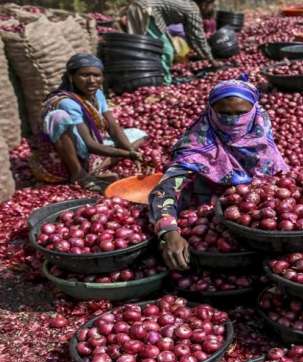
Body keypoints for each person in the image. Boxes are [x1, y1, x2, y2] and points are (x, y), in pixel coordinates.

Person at [149, 79, 289, 270]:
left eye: (240, 113)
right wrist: (169, 232)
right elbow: (166, 189)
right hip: (206, 224)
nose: (233, 121)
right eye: (224, 114)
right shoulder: (197, 144)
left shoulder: (261, 139)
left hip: (257, 227)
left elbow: (280, 187)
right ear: (211, 112)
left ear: (254, 110)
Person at [29, 54, 146, 192]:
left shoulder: (97, 95)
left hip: (88, 147)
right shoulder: (67, 102)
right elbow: (90, 145)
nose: (92, 81)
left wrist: (132, 152)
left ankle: (95, 168)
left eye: (96, 76)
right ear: (71, 77)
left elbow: (113, 128)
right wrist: (126, 154)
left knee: (139, 135)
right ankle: (78, 173)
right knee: (58, 117)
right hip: (60, 159)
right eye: (84, 75)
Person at [125, 0, 222, 85]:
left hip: (141, 7)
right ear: (205, 4)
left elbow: (191, 36)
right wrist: (211, 59)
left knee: (146, 48)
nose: (212, 8)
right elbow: (199, 38)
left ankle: (141, 75)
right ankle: (164, 82)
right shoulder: (193, 10)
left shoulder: (189, 5)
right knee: (166, 50)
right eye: (212, 5)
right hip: (147, 10)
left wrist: (198, 52)